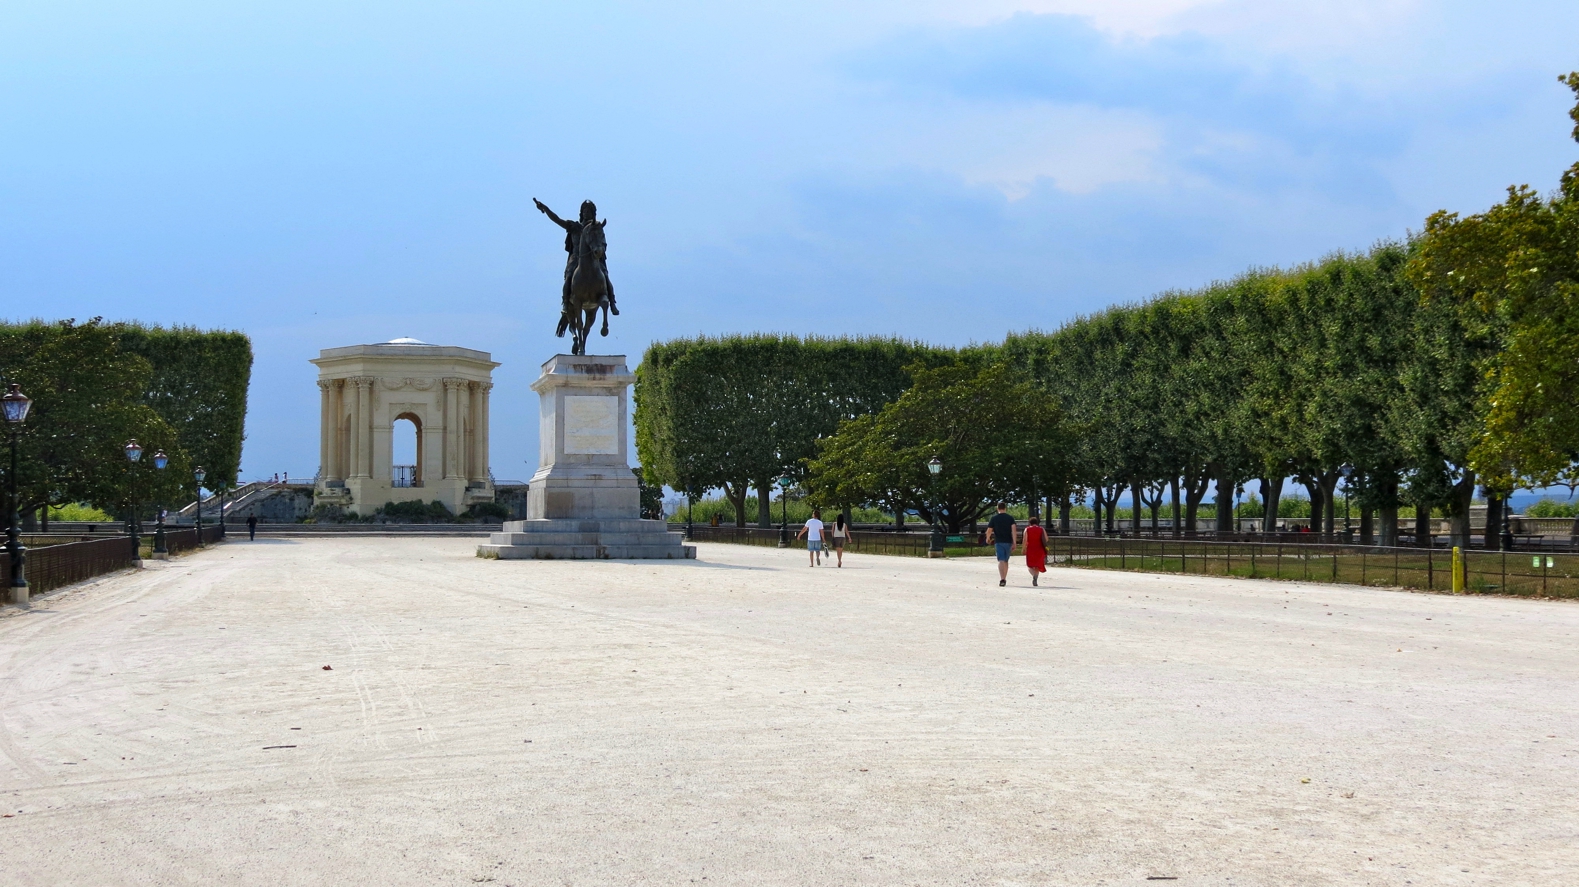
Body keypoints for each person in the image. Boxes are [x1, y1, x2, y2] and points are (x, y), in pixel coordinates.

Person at [533, 197, 618, 337]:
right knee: (569, 276)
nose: (586, 213)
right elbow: (557, 219)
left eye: (589, 211)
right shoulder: (574, 226)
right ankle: (566, 303)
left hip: (593, 257)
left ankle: (612, 302)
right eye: (584, 211)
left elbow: (602, 242)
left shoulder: (596, 228)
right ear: (581, 213)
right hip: (576, 257)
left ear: (593, 213)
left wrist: (600, 250)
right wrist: (545, 209)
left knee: (605, 274)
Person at [985, 501, 1017, 587]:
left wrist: (988, 538)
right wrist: (1014, 542)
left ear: (997, 508)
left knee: (1001, 560)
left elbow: (989, 530)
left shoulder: (994, 518)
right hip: (1008, 541)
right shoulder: (1010, 518)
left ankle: (1002, 578)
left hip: (998, 541)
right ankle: (1004, 577)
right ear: (1005, 508)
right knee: (1006, 561)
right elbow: (1013, 530)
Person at [1023, 516, 1048, 586]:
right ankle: (1036, 577)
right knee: (1037, 565)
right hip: (1040, 549)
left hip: (1030, 548)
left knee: (1029, 565)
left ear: (1029, 523)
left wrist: (1023, 548)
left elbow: (1025, 540)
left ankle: (1034, 575)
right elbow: (1046, 539)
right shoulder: (1041, 529)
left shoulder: (1027, 529)